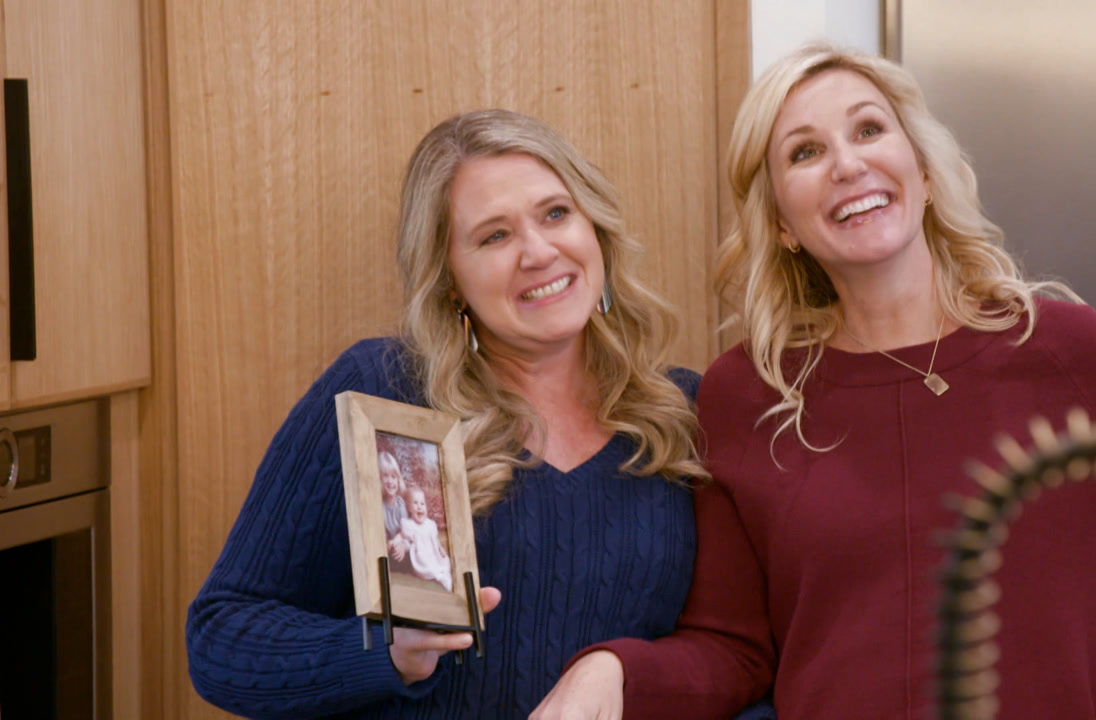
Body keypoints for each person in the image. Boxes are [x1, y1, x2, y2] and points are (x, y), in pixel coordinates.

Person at [534, 44, 1096, 720]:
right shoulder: (746, 393)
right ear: (783, 223)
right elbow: (735, 651)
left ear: (922, 172)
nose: (847, 165)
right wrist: (613, 671)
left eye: (868, 130)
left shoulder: (1063, 354)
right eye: (804, 152)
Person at [186, 108, 712, 719]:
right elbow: (222, 637)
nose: (539, 252)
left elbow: (734, 654)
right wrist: (385, 653)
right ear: (451, 281)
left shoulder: (683, 414)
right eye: (494, 236)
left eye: (555, 214)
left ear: (595, 228)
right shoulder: (386, 393)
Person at [400, 485, 453, 591]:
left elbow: (435, 539)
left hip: (433, 553)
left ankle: (444, 576)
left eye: (422, 503)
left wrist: (440, 548)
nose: (419, 507)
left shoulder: (430, 524)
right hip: (422, 556)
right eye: (415, 503)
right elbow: (406, 538)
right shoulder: (408, 524)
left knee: (445, 561)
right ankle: (437, 576)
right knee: (429, 568)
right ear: (409, 508)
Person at [380, 449, 411, 565]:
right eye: (385, 476)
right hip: (389, 547)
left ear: (398, 480)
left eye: (393, 477)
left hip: (403, 543)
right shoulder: (380, 505)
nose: (390, 481)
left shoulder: (400, 505)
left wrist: (403, 546)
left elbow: (407, 532)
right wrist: (387, 544)